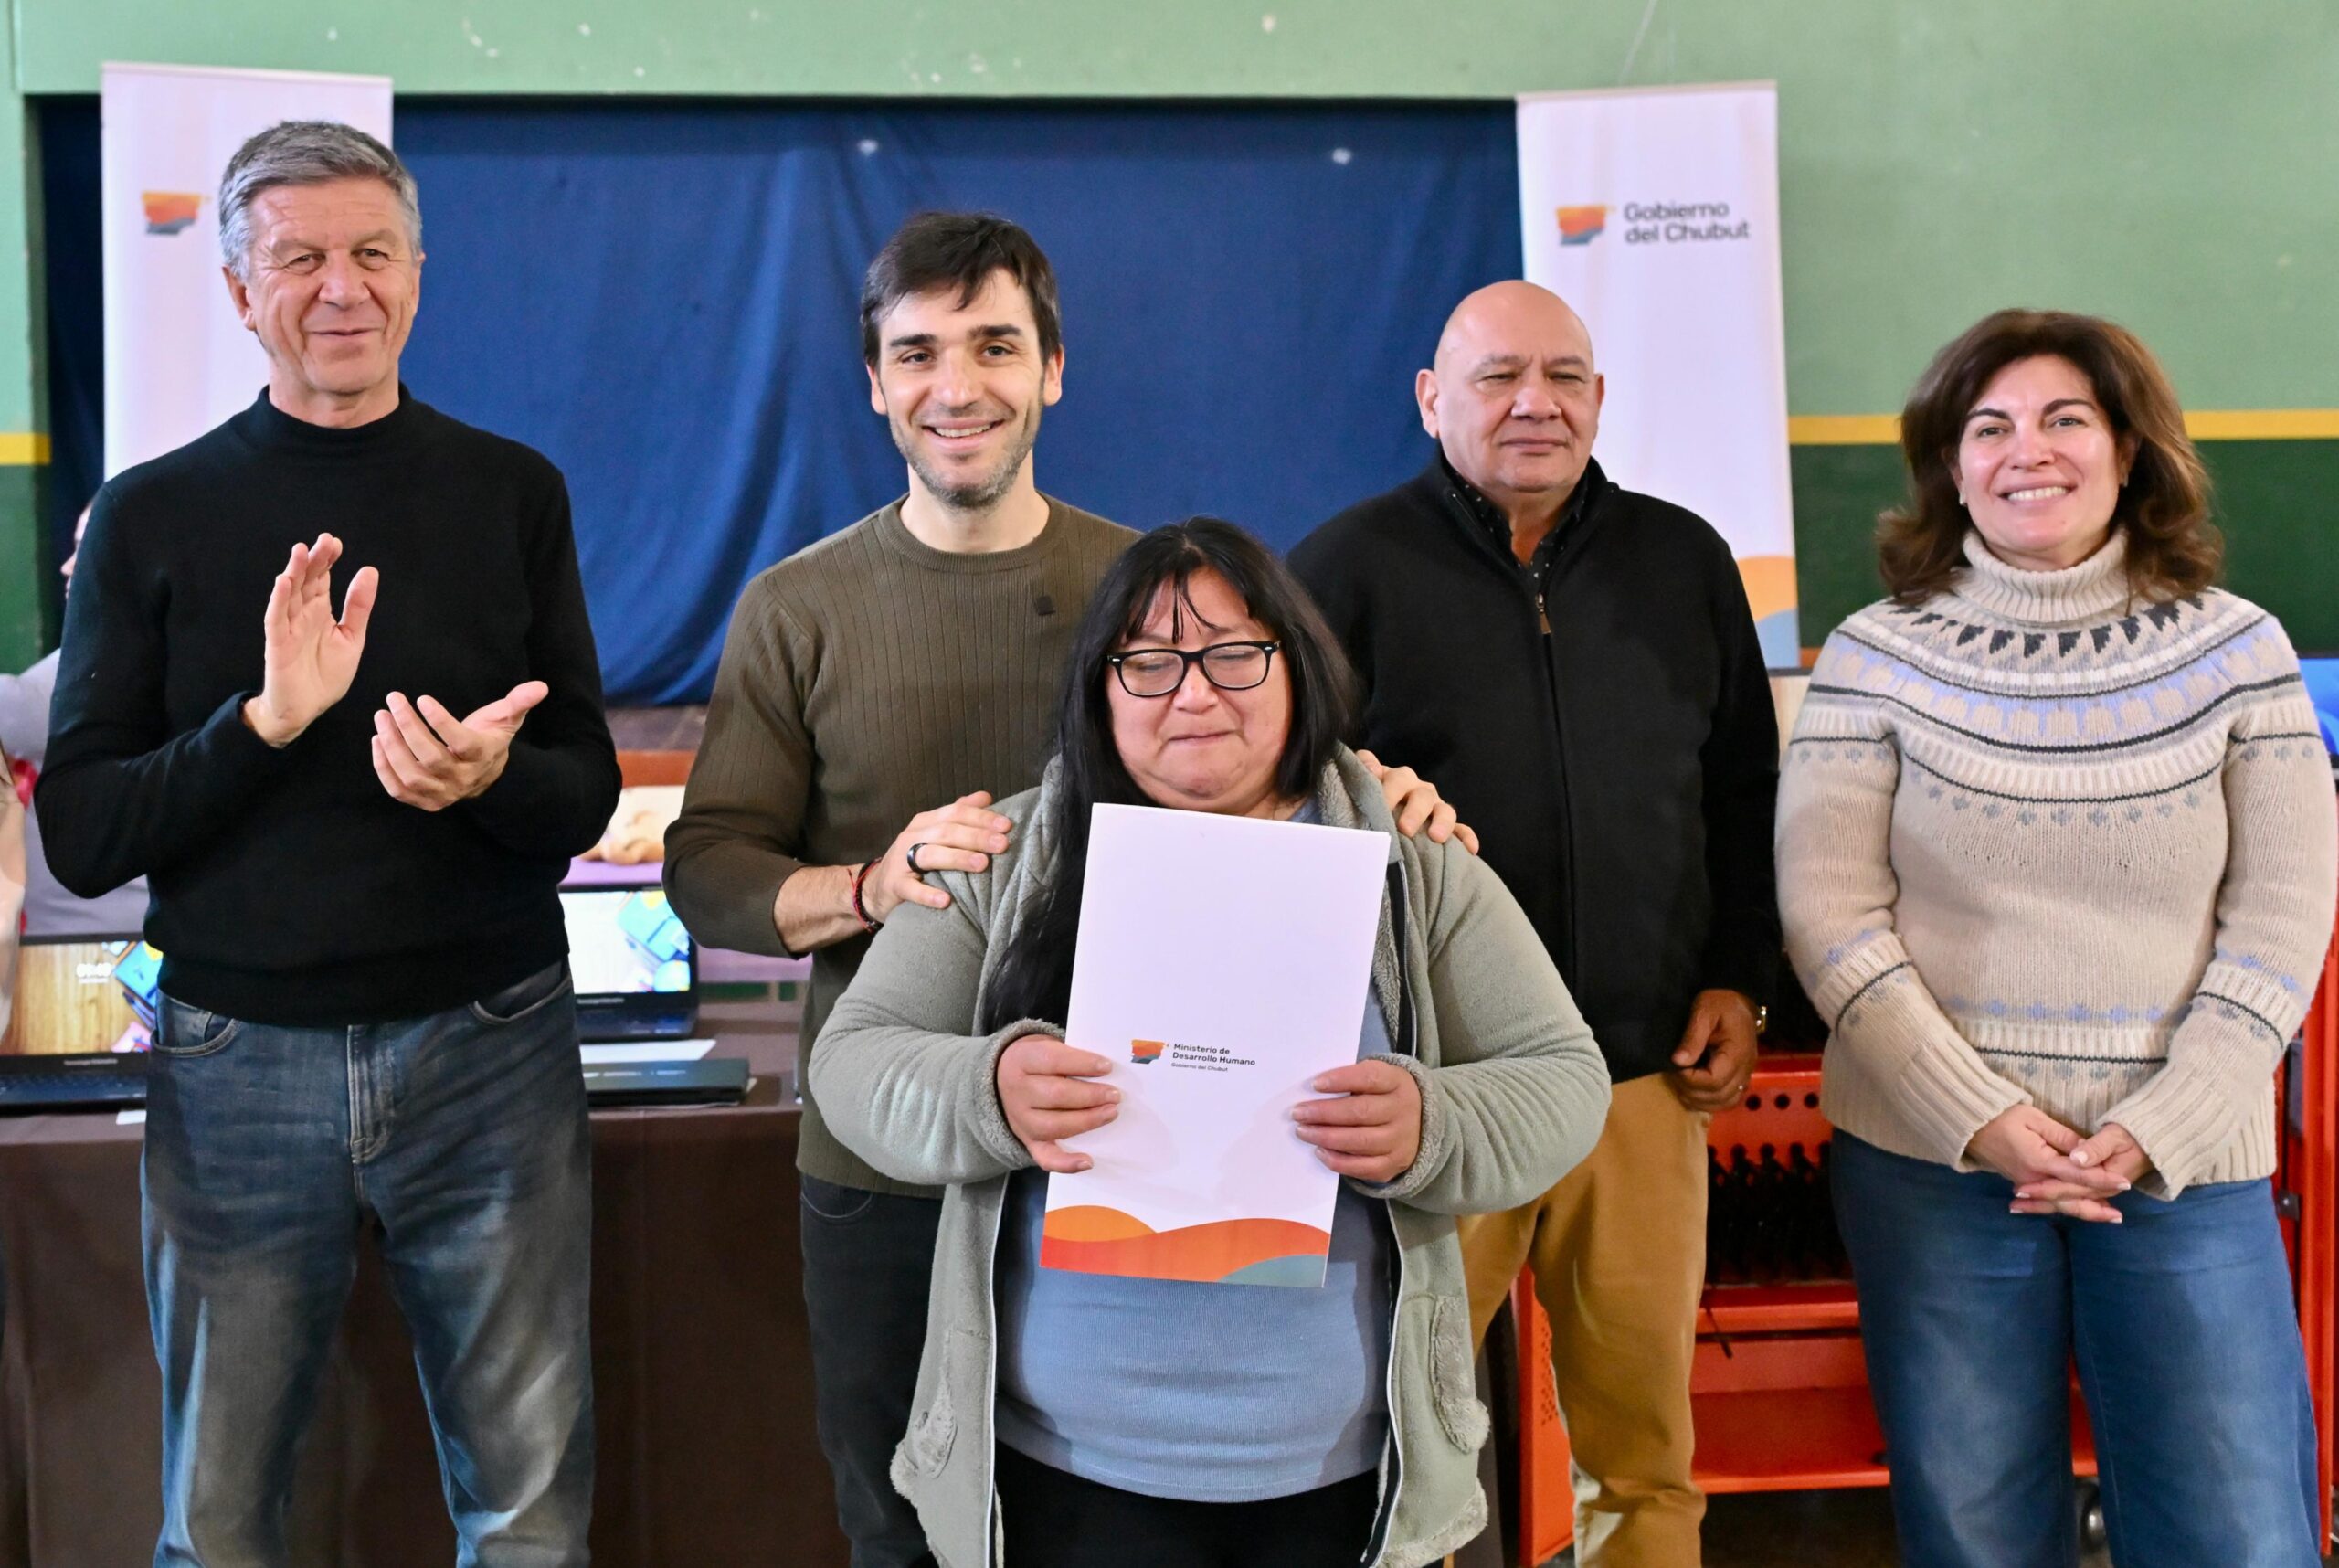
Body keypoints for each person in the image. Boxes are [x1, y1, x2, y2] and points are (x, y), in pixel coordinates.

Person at [664, 211, 1467, 1568]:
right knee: (902, 1521)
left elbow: (1292, 777)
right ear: (875, 383)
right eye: (918, 354)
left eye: (994, 346)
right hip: (896, 1153)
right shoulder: (797, 606)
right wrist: (870, 886)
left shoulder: (1151, 589)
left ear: (1052, 367)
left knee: (1102, 1520)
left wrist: (1390, 807)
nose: (956, 386)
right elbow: (709, 871)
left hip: (1152, 1146)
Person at [810, 519, 1612, 1568]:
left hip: (1338, 1466)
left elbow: (1566, 1081)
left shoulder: (1411, 864)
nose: (1194, 694)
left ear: (1298, 668)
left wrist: (1433, 1123)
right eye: (1148, 661)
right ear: (1099, 689)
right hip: (1067, 1466)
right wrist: (986, 1090)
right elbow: (852, 1061)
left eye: (1235, 654)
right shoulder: (1007, 858)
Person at [38, 121, 619, 1565]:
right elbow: (86, 832)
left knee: (530, 1515)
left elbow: (584, 796)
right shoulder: (150, 515)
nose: (342, 288)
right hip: (237, 1063)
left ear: (418, 275)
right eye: (299, 259)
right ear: (241, 292)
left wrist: (488, 777)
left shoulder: (513, 492)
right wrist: (264, 724)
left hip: (492, 1048)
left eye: (372, 253)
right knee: (219, 1520)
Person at [1777, 309, 2337, 1568]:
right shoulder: (1873, 657)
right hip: (1935, 1166)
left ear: (2129, 449)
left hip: (2183, 1166)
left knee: (2238, 1533)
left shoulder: (2241, 652)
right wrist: (1973, 1114)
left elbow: (2282, 915)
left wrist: (2171, 1121)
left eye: (2064, 419)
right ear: (1951, 464)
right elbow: (1828, 916)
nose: (2026, 450)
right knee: (1974, 1534)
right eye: (1989, 428)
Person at [1289, 281, 1780, 1565]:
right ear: (1430, 400)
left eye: (1563, 377)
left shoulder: (1683, 561)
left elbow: (1742, 787)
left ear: (1599, 399)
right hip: (1439, 1094)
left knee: (1644, 1458)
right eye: (1499, 376)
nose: (1535, 404)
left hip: (1641, 1081)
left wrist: (1740, 977)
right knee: (1399, 1447)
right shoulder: (1342, 569)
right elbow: (1281, 808)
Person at [0, 503, 150, 934]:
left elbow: (15, 709)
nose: (67, 567)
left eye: (85, 549)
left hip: (95, 945)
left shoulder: (108, 661)